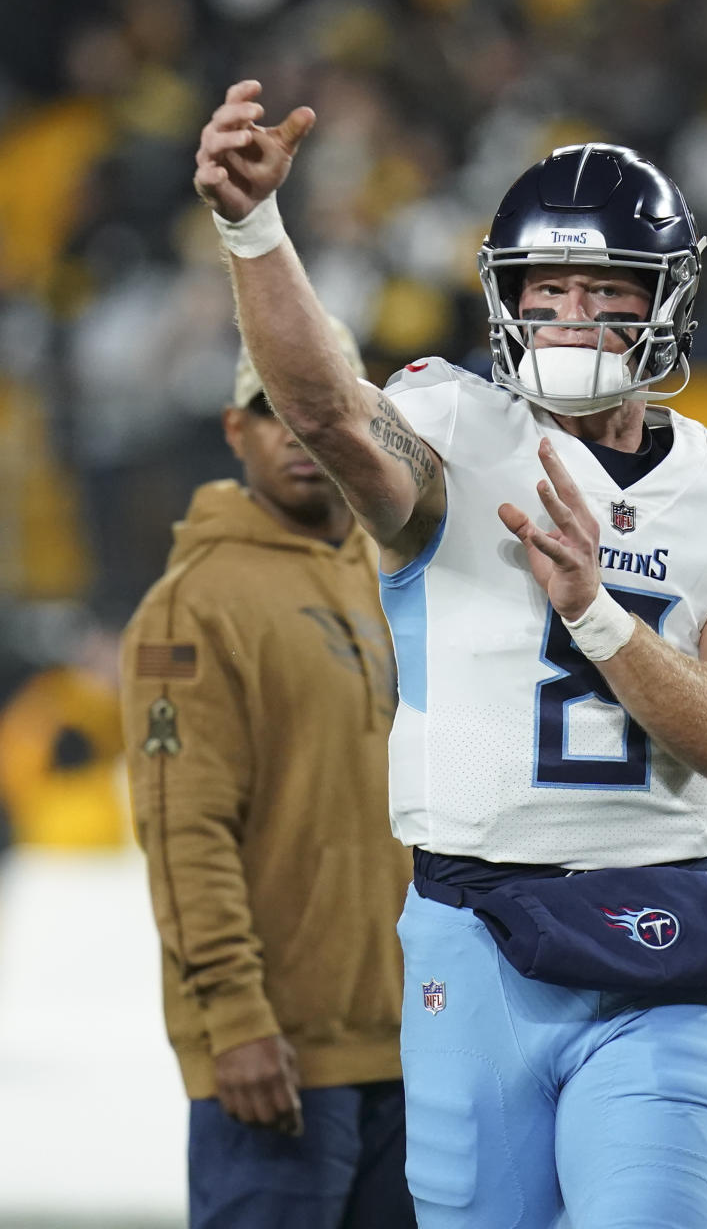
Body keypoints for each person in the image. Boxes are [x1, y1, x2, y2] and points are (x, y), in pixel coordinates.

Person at [192, 79, 707, 1229]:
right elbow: (330, 412)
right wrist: (254, 228)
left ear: (663, 304)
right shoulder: (452, 432)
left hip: (659, 942)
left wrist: (597, 613)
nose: (574, 317)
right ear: (508, 301)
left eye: (606, 290)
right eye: (551, 289)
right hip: (474, 936)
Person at [119, 329, 416, 1229]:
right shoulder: (194, 603)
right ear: (233, 432)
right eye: (269, 410)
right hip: (276, 1060)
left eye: (318, 410)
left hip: (415, 1048)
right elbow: (183, 834)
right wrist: (233, 1022)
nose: (295, 431)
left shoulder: (396, 580)